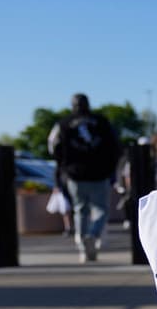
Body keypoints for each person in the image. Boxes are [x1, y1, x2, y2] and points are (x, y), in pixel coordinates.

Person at [48, 93, 120, 262]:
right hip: (99, 173)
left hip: (75, 174)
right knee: (101, 210)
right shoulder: (101, 122)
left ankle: (82, 245)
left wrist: (64, 165)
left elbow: (52, 146)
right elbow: (115, 144)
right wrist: (110, 167)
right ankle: (93, 235)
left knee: (80, 210)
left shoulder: (63, 124)